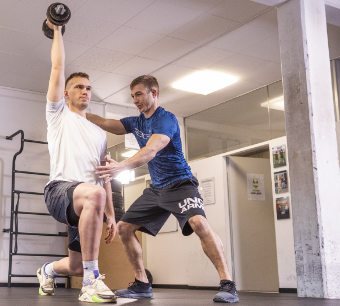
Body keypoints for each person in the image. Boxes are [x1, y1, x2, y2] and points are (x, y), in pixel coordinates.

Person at [86, 75, 239, 303]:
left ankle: (228, 284)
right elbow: (110, 124)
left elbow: (150, 150)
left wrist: (121, 166)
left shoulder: (166, 119)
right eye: (133, 96)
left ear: (154, 93)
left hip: (180, 184)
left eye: (139, 94)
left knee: (198, 223)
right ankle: (142, 284)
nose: (135, 100)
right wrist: (78, 113)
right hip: (156, 189)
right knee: (124, 228)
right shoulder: (137, 122)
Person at [36, 21, 117, 303]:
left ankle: (46, 270)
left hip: (86, 200)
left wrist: (112, 215)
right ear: (66, 93)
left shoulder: (99, 133)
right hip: (60, 192)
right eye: (78, 87)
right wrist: (57, 30)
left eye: (88, 88)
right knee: (91, 193)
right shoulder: (58, 115)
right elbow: (57, 69)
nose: (85, 91)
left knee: (73, 265)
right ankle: (91, 283)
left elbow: (103, 178)